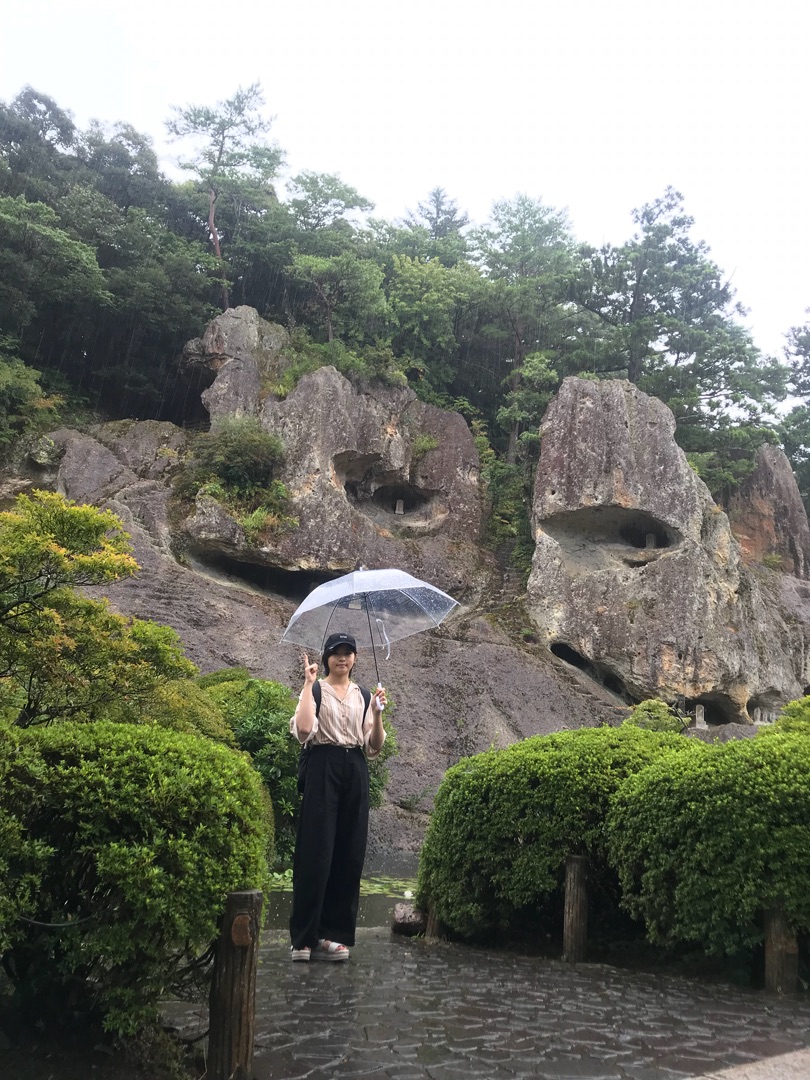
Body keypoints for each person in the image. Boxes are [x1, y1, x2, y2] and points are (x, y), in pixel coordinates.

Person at [289, 631, 386, 962]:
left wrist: (377, 713)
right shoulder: (317, 689)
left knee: (349, 852)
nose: (342, 657)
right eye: (336, 652)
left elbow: (373, 747)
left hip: (355, 769)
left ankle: (332, 935)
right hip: (323, 765)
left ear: (355, 658)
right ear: (327, 657)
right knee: (315, 851)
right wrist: (307, 684)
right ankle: (303, 938)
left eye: (348, 652)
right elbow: (304, 731)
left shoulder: (364, 695)